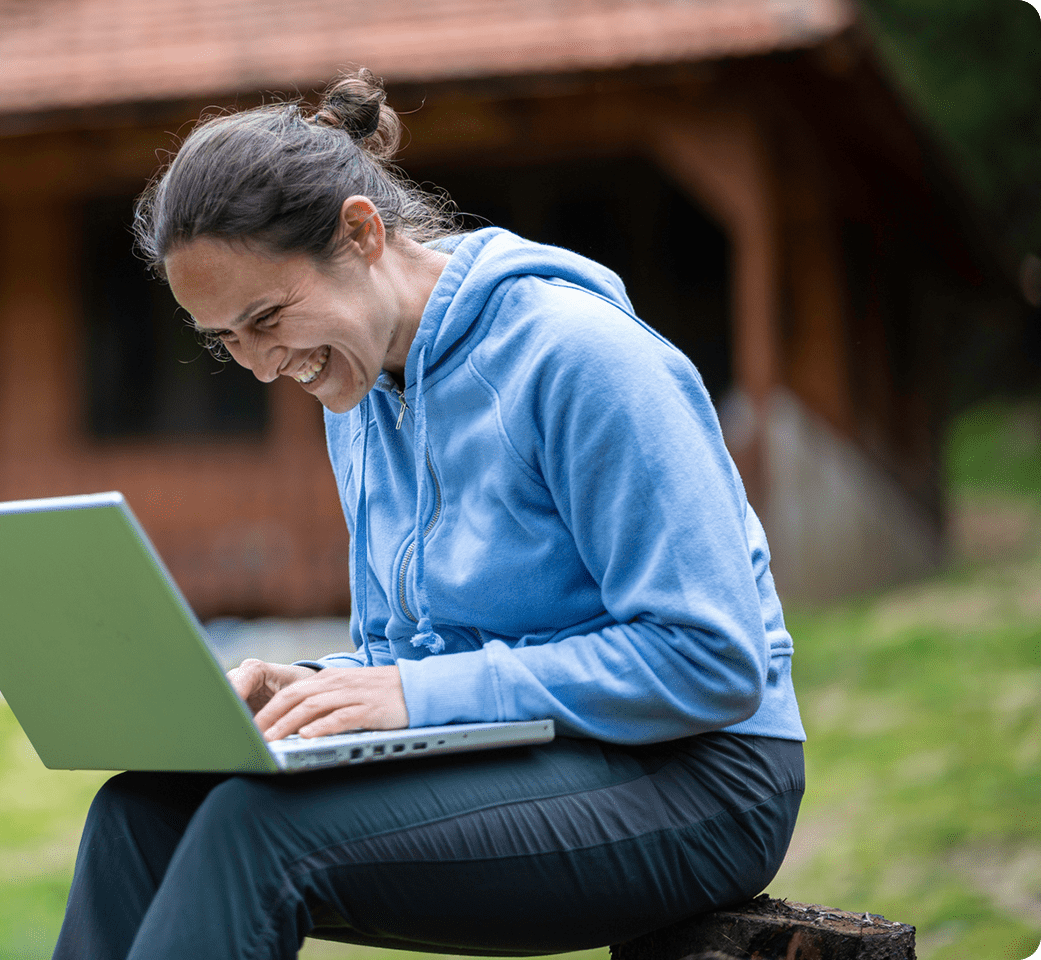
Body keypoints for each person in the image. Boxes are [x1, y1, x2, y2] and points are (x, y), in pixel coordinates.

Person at [51, 69, 806, 960]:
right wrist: (322, 687)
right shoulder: (361, 391)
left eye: (266, 318)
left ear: (363, 233)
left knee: (258, 831)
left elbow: (712, 658)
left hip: (704, 773)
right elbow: (420, 653)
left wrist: (411, 693)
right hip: (527, 752)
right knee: (139, 812)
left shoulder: (580, 358)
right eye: (227, 341)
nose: (259, 367)